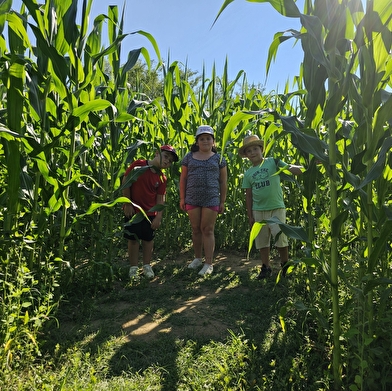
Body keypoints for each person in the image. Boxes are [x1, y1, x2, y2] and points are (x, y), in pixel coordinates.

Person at [239, 134, 303, 279]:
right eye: (249, 151)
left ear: (262, 149)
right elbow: (248, 196)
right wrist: (250, 215)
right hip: (258, 211)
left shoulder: (273, 162)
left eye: (255, 149)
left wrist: (308, 167)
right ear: (246, 155)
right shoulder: (248, 173)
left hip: (276, 208)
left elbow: (290, 168)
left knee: (281, 238)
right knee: (262, 241)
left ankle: (285, 264)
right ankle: (266, 266)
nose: (253, 152)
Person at [122, 144, 179, 281]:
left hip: (150, 214)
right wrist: (127, 203)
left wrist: (158, 216)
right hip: (133, 212)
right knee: (133, 240)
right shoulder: (139, 165)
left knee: (148, 240)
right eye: (165, 157)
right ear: (156, 153)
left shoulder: (162, 178)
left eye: (170, 161)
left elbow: (160, 198)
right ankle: (133, 268)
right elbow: (126, 181)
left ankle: (147, 265)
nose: (167, 161)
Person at [179, 125, 228, 276]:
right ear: (197, 141)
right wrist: (182, 198)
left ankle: (208, 263)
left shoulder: (219, 159)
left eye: (208, 138)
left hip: (211, 198)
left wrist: (222, 201)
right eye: (202, 138)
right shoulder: (189, 157)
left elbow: (223, 182)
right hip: (192, 197)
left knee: (207, 229)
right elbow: (183, 178)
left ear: (213, 141)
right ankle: (197, 258)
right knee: (195, 229)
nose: (205, 141)